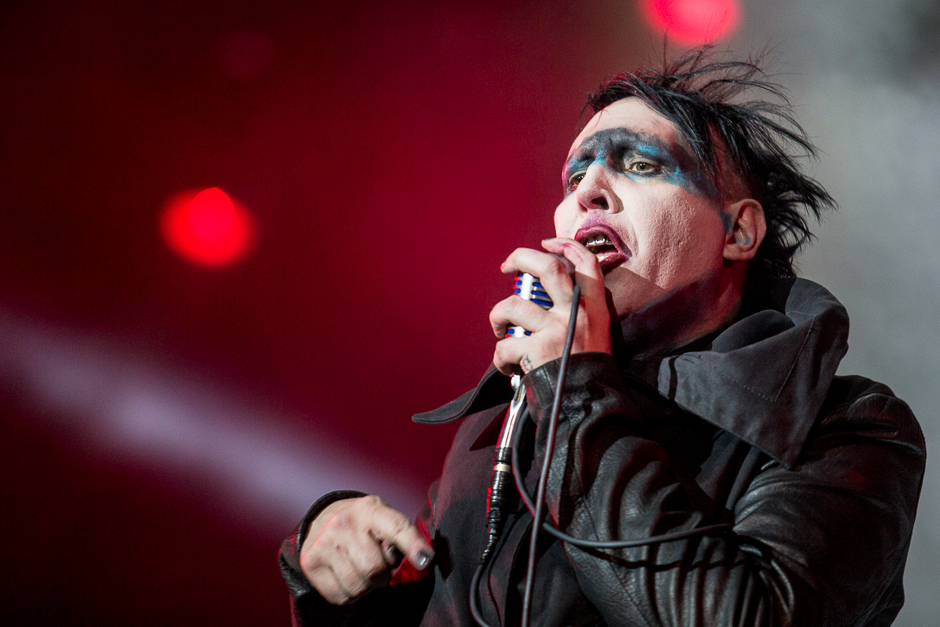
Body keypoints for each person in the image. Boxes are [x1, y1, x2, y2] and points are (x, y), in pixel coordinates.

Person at [278, 49, 926, 626]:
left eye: (640, 164)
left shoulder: (844, 427)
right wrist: (333, 565)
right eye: (574, 177)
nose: (589, 190)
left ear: (738, 232)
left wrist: (576, 391)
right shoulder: (509, 419)